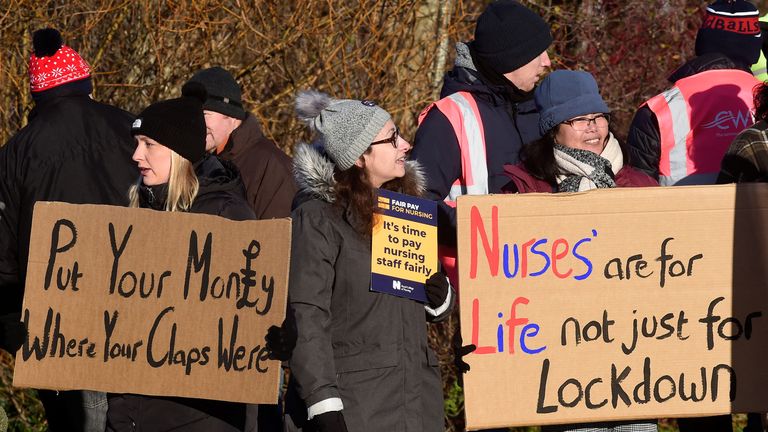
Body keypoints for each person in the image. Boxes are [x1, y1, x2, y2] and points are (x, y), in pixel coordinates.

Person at [283, 90, 454, 432]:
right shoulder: (318, 219)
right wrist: (323, 404)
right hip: (355, 408)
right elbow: (306, 313)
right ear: (360, 156)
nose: (405, 144)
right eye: (392, 138)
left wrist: (439, 299)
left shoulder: (405, 211)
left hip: (415, 404)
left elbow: (406, 307)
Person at [502, 70, 658, 432]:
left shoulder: (641, 185)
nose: (593, 128)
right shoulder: (524, 193)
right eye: (578, 120)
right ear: (552, 129)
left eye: (598, 117)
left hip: (635, 361)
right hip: (563, 367)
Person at [0, 28, 136, 431]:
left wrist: (13, 328)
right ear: (85, 83)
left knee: (72, 420)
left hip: (55, 324)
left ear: (38, 95)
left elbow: (3, 255)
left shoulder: (15, 153)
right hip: (135, 307)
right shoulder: (132, 130)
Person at [105, 84, 255, 431]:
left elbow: (250, 313)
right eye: (137, 144)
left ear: (178, 152)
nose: (136, 155)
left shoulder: (227, 217)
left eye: (149, 145)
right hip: (130, 414)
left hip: (198, 416)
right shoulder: (134, 211)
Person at [412, 0, 552, 287]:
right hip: (476, 289)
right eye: (537, 53)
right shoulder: (450, 117)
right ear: (509, 59)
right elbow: (417, 205)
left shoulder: (540, 110)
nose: (547, 61)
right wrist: (486, 229)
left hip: (545, 278)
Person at [627, 0, 762, 186]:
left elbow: (637, 197)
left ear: (703, 42)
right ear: (754, 48)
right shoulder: (763, 100)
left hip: (679, 214)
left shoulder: (657, 109)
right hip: (756, 214)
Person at [182, 67, 296, 219]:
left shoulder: (274, 168)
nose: (195, 123)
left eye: (204, 114)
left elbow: (275, 238)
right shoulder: (195, 160)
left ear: (230, 115)